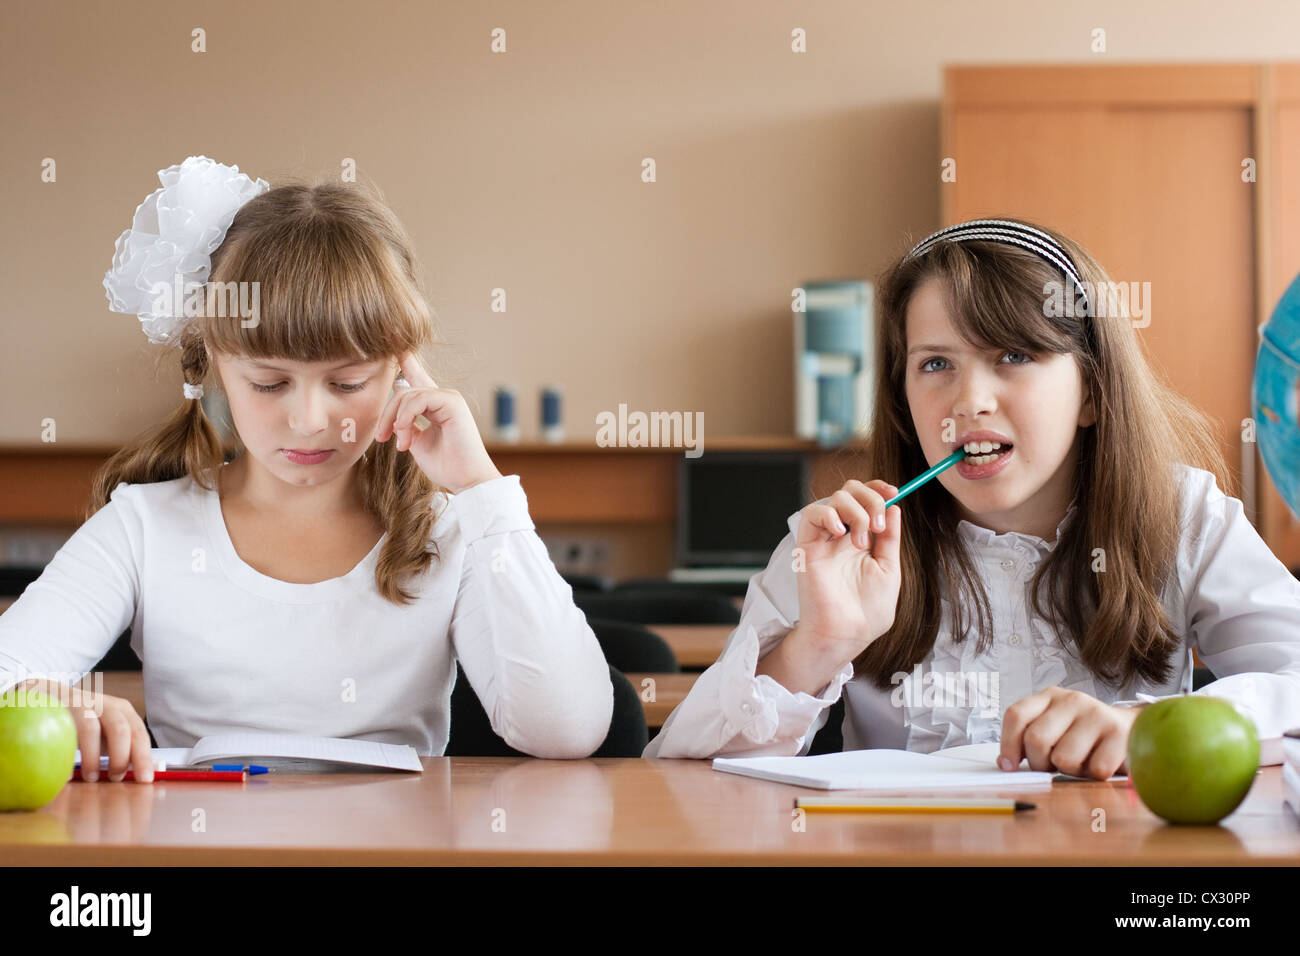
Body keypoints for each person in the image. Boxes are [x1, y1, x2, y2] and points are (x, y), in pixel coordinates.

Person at [0, 156, 612, 781]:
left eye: (348, 382)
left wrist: (483, 491)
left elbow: (568, 730)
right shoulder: (144, 527)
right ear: (213, 362)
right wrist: (47, 695)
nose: (311, 420)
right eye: (269, 384)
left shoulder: (450, 529)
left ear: (402, 369)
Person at [645, 216, 1300, 779]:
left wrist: (1150, 728)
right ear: (903, 400)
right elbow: (682, 773)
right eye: (936, 364)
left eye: (1014, 354)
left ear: (1093, 393)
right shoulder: (846, 542)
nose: (968, 401)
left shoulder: (1185, 515)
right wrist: (813, 647)